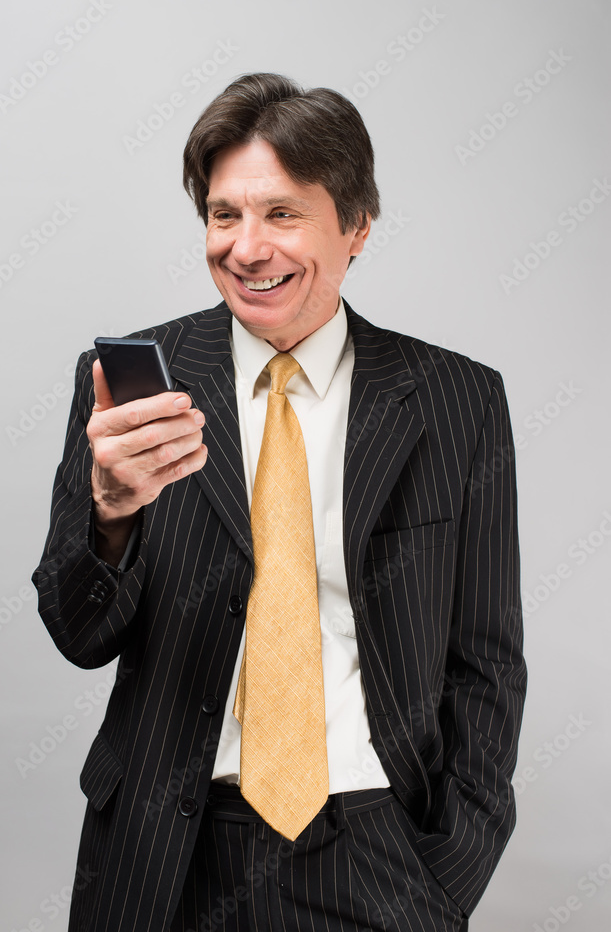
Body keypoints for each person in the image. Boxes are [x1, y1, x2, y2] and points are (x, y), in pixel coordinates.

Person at [34, 72, 527, 932]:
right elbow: (78, 635)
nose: (246, 248)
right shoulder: (132, 384)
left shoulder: (456, 399)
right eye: (224, 215)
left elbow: (486, 661)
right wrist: (109, 517)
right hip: (160, 861)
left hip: (374, 856)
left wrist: (448, 872)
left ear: (357, 225)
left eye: (282, 214)